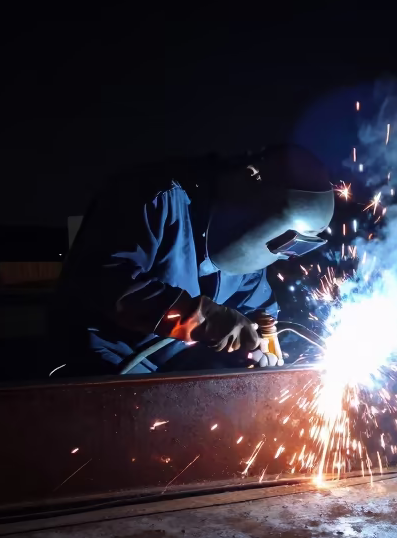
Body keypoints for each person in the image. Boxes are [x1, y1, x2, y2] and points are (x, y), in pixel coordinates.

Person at [50, 145, 335, 375]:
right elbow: (105, 281)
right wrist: (200, 317)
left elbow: (257, 309)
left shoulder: (249, 246)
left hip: (178, 370)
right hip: (105, 364)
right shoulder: (154, 196)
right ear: (249, 181)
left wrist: (261, 346)